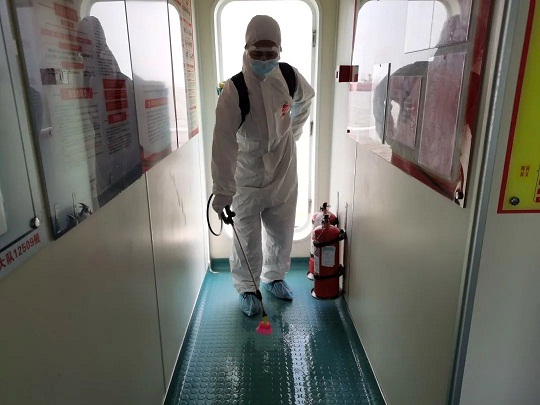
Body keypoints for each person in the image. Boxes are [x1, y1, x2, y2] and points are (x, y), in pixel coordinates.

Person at [211, 15, 315, 316]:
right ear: (246, 49)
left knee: (282, 230)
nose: (265, 59)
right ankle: (247, 288)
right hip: (247, 173)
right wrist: (222, 190)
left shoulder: (289, 77)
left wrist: (293, 133)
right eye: (258, 53)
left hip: (283, 169)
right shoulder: (234, 90)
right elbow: (223, 142)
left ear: (280, 50)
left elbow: (306, 100)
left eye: (272, 53)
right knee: (247, 238)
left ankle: (274, 277)